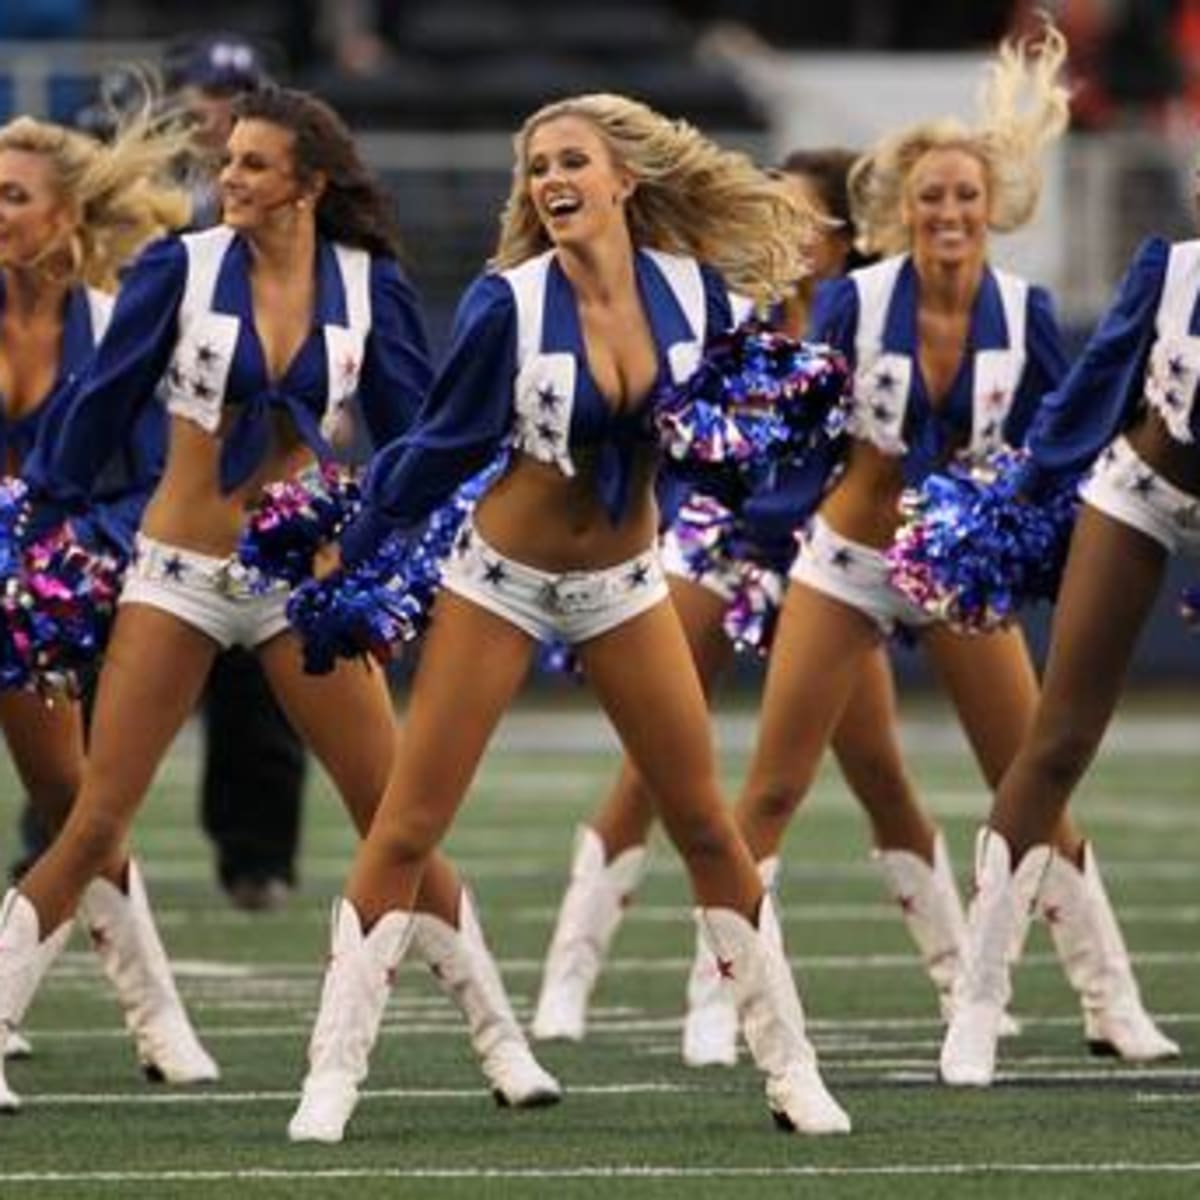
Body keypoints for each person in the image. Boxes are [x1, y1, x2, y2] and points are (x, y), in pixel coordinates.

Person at [287, 92, 852, 1145]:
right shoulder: (509, 303)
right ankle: (333, 1073)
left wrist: (775, 490)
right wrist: (350, 550)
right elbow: (442, 448)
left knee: (702, 826)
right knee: (409, 824)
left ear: (623, 179)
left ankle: (791, 1069)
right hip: (499, 577)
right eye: (537, 165)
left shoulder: (700, 297)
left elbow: (743, 435)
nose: (551, 179)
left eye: (572, 161)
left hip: (625, 584)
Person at [0, 86, 558, 1115]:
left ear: (310, 182)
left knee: (395, 821)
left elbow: (411, 437)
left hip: (300, 586)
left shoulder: (371, 287)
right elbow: (101, 406)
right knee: (91, 821)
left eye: (254, 165)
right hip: (175, 575)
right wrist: (38, 523)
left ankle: (503, 1043)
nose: (230, 179)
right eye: (228, 162)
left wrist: (402, 550)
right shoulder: (182, 266)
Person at [674, 20, 1177, 1069]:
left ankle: (1109, 998)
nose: (948, 213)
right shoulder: (854, 301)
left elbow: (1053, 442)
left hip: (959, 572)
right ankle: (719, 998)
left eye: (965, 197)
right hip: (847, 564)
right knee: (771, 789)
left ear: (993, 209)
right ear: (902, 211)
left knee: (1035, 775)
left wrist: (1026, 545)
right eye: (931, 198)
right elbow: (797, 428)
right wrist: (747, 487)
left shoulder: (1026, 312)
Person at [530, 146, 995, 1058]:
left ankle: (960, 982)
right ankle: (569, 979)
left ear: (840, 235)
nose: (781, 232)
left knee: (880, 778)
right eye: (770, 212)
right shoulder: (731, 312)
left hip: (827, 562)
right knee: (652, 765)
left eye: (800, 218)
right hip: (723, 542)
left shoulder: (868, 316)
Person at [939, 202, 1200, 1088]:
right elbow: (1092, 388)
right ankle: (977, 1002)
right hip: (1140, 493)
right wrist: (1018, 499)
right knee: (1058, 739)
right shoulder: (1171, 272)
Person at [0, 108, 219, 1098]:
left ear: (67, 213)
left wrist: (71, 553)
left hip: (38, 590)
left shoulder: (111, 318)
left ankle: (156, 1019)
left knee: (75, 803)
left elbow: (149, 475)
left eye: (13, 196)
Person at [168, 32, 310, 911]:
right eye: (206, 100)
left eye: (235, 98)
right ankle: (63, 847)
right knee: (86, 676)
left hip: (266, 472)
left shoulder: (301, 216)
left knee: (266, 678)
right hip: (163, 474)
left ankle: (257, 857)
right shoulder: (145, 207)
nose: (217, 116)